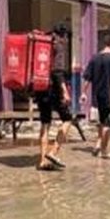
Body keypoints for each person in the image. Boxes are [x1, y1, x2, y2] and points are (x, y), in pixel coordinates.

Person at [34, 24, 73, 171]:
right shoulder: (59, 45)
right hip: (54, 88)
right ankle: (53, 152)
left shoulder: (44, 45)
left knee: (45, 122)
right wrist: (65, 91)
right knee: (67, 119)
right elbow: (57, 72)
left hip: (41, 87)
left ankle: (43, 160)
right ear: (63, 36)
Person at [83, 34, 110, 159]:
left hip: (97, 95)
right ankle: (104, 151)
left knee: (101, 121)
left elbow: (87, 78)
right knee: (108, 124)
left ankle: (98, 144)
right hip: (108, 95)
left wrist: (83, 93)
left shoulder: (94, 58)